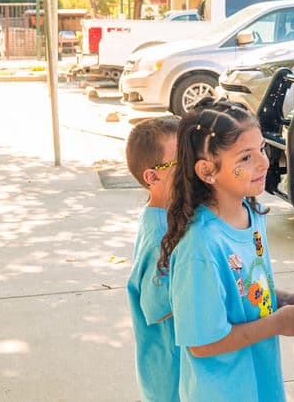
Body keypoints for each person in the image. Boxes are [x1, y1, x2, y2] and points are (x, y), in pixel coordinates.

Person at [157, 100, 294, 402]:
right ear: (207, 170)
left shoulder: (251, 215)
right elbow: (202, 343)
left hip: (261, 383)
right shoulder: (200, 248)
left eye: (262, 149)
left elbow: (239, 288)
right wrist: (276, 324)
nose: (263, 163)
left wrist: (279, 299)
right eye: (246, 157)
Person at [125, 115, 182, 402]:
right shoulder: (161, 235)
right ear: (152, 177)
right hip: (171, 379)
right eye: (182, 162)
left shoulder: (171, 219)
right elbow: (159, 307)